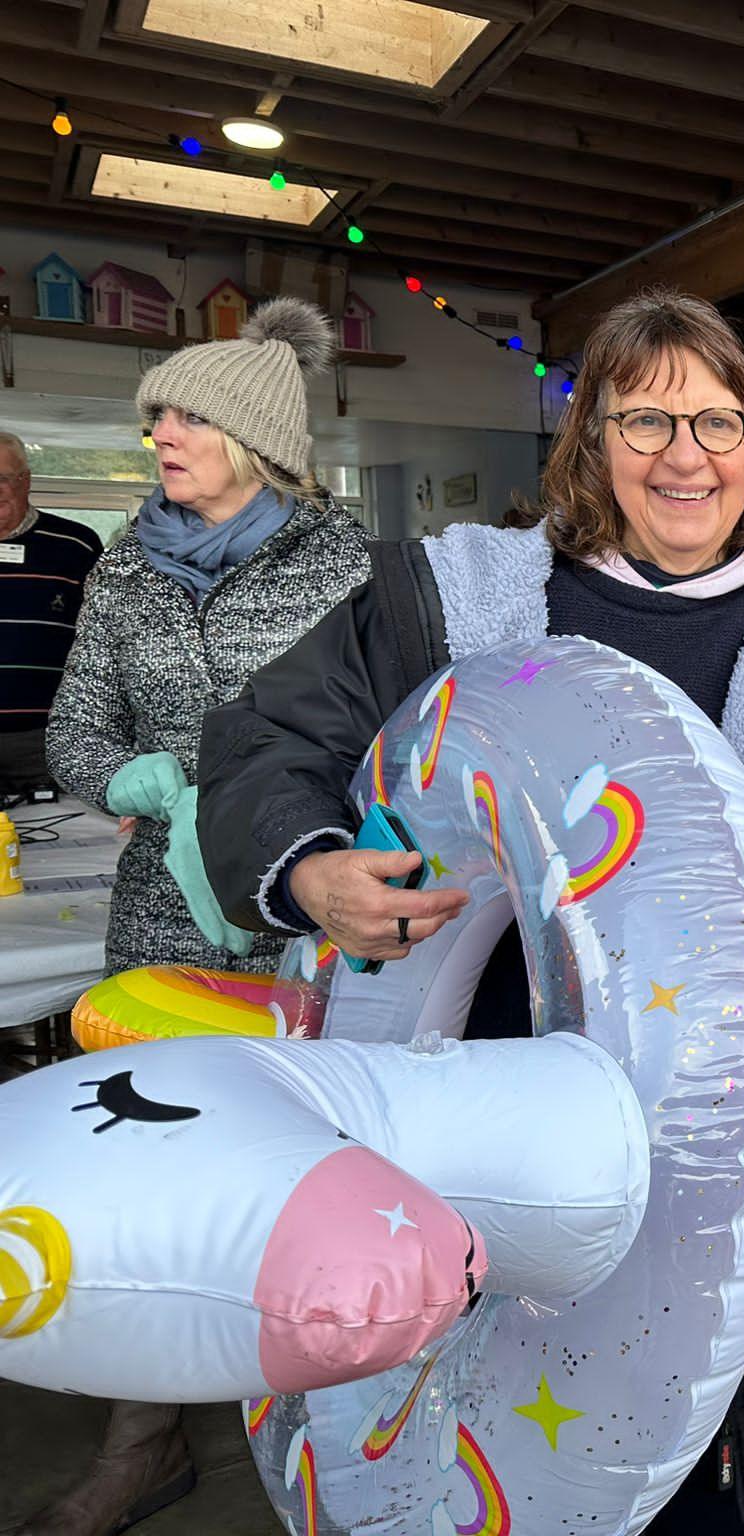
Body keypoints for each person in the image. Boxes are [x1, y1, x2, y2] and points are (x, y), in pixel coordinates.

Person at [199, 288, 744, 1536]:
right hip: (473, 1141)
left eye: (718, 424)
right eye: (646, 420)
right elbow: (267, 739)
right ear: (590, 439)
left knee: (698, 1492)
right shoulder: (447, 600)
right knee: (466, 1459)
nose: (684, 458)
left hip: (719, 1181)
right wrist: (313, 866)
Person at [30, 301, 371, 1536]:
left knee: (304, 1167)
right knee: (154, 1166)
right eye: (154, 416)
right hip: (161, 918)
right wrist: (130, 776)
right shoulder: (125, 564)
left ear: (255, 434)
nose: (161, 433)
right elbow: (75, 725)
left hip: (305, 915)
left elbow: (403, 736)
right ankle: (144, 1443)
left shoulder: (352, 566)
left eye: (185, 413)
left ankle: (336, 1435)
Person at [0, 430, 102, 787]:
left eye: (2, 479)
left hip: (45, 739)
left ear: (25, 481)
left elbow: (102, 641)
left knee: (65, 837)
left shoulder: (76, 545)